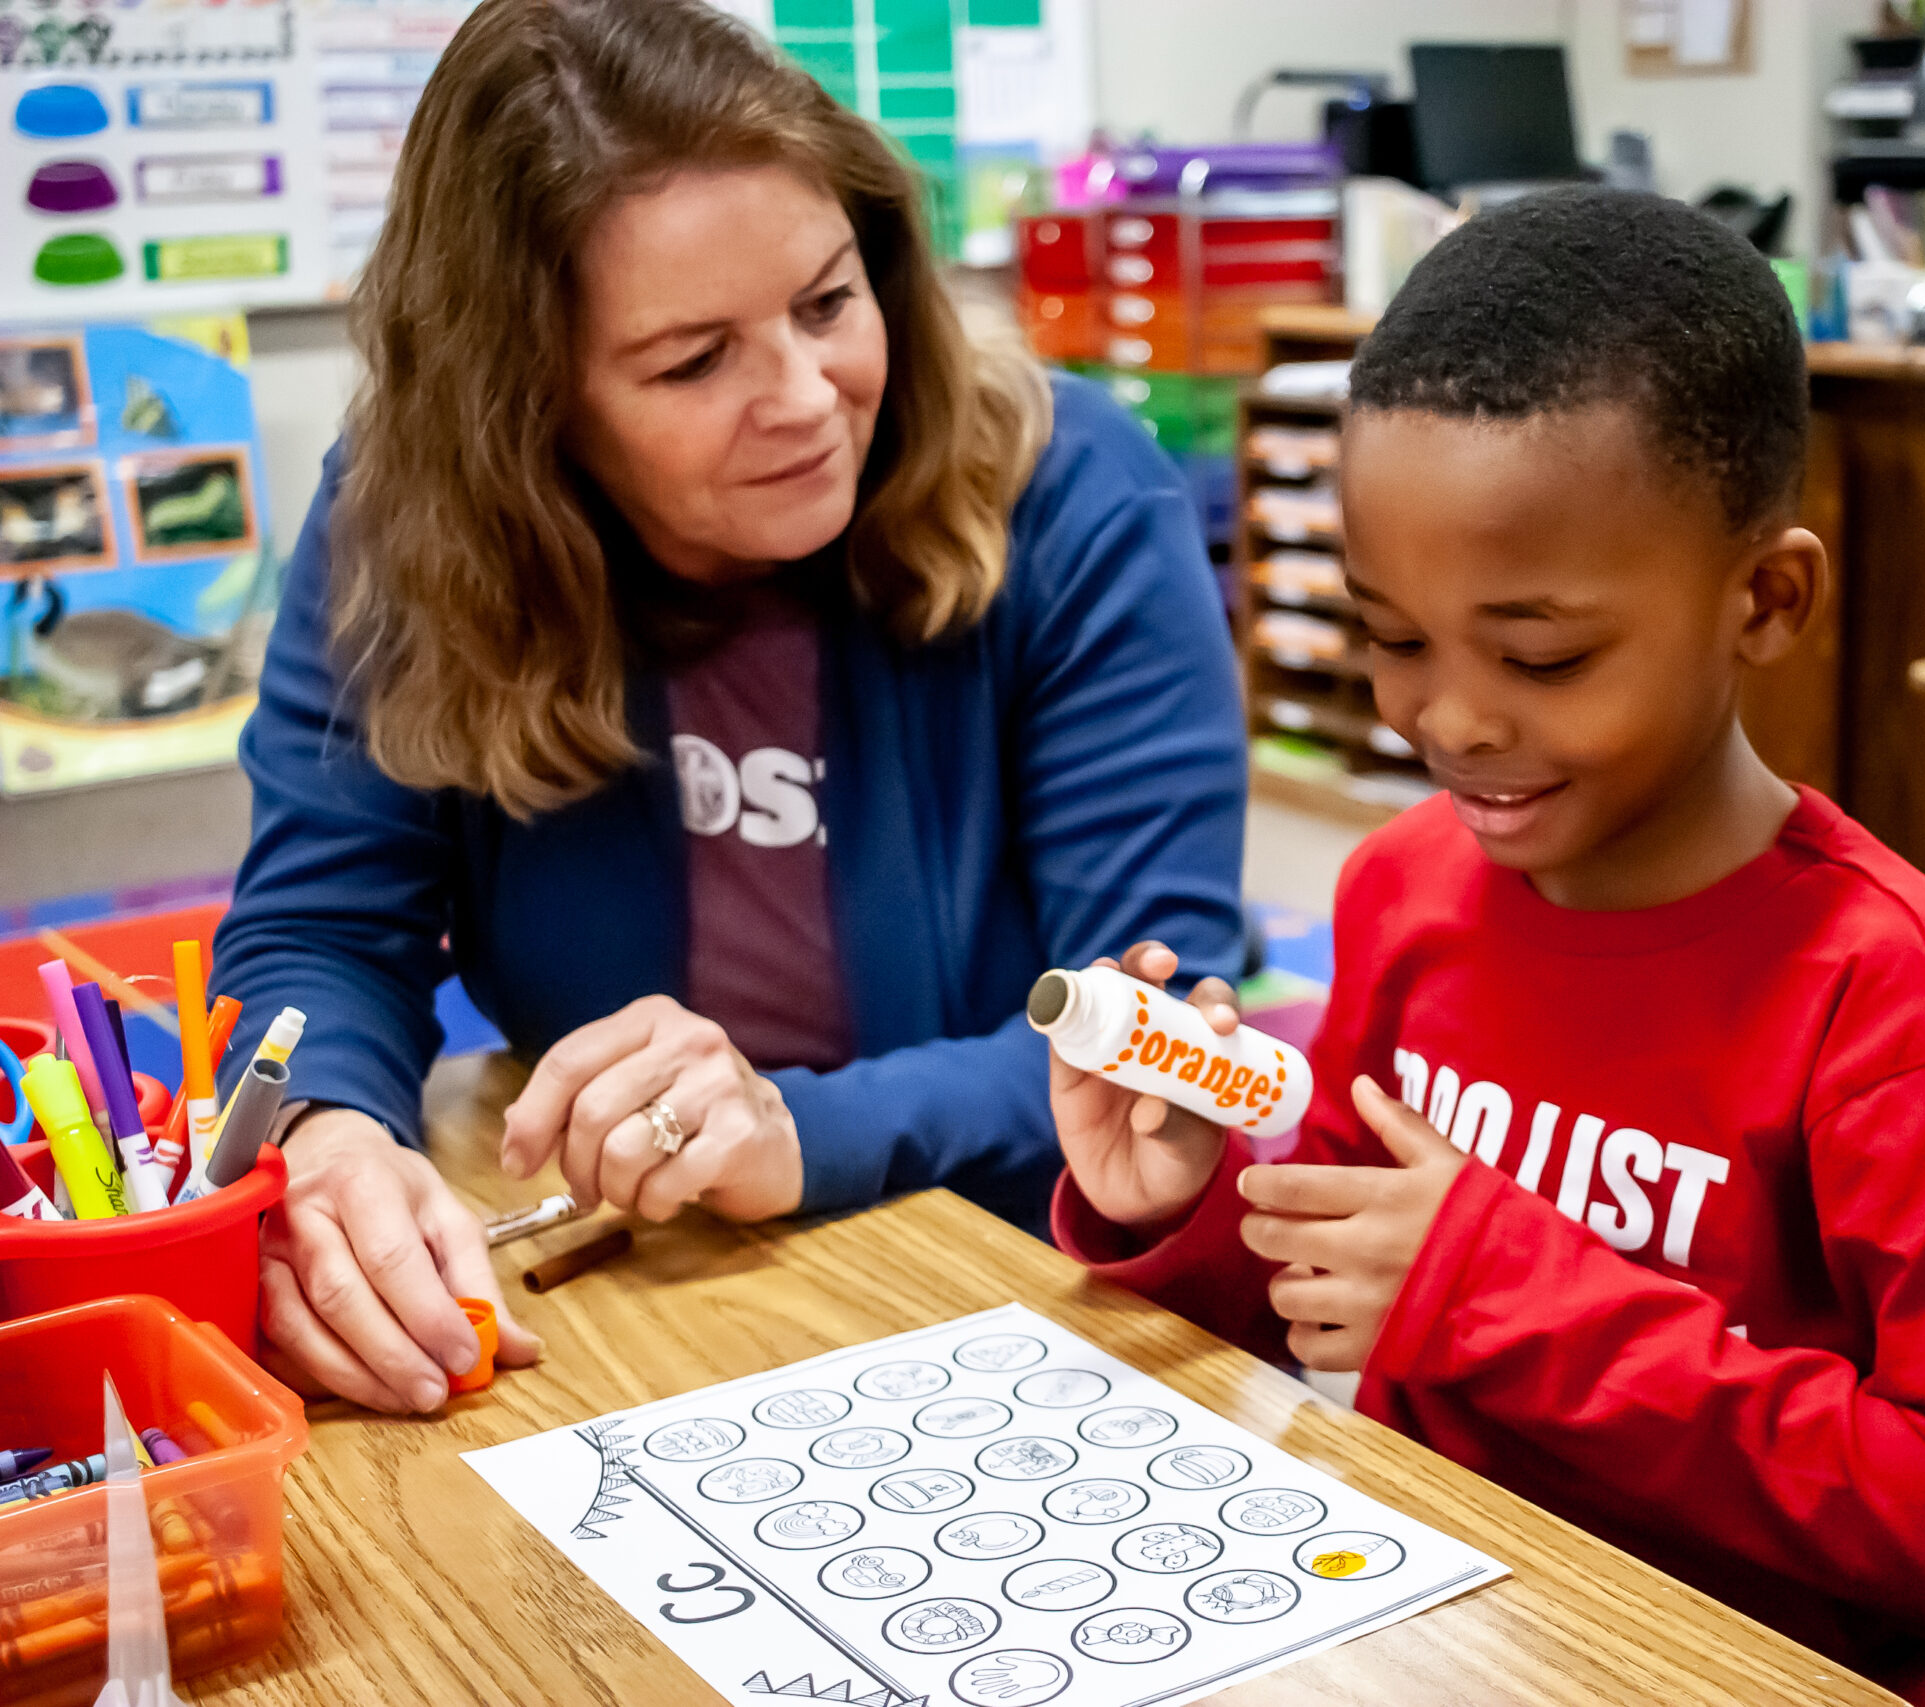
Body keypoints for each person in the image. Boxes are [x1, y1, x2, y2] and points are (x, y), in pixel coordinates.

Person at [1046, 189, 1925, 1706]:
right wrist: (1192, 1206)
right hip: (1430, 1621)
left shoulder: (1884, 995)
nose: (1450, 722)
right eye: (1394, 639)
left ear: (1765, 599)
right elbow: (1328, 1275)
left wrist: (1503, 1296)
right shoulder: (1408, 887)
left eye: (1542, 655)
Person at [210, 0, 1244, 1415]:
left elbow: (1163, 1047)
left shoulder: (1080, 499)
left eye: (829, 302)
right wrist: (325, 1135)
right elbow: (319, 926)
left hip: (1010, 1284)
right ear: (528, 414)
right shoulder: (409, 523)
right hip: (634, 1293)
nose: (810, 398)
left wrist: (792, 1132)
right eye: (695, 362)